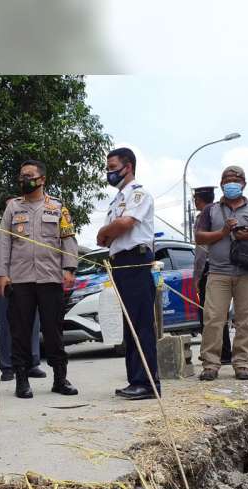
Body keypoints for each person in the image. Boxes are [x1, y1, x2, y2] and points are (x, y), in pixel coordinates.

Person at [0, 159, 79, 399]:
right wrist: (1, 274)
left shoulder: (58, 208)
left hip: (50, 278)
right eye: (21, 175)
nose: (23, 179)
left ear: (42, 179)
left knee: (53, 331)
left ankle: (60, 378)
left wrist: (69, 269)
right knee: (20, 331)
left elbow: (68, 239)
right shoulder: (13, 208)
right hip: (20, 280)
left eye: (28, 175)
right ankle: (22, 380)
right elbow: (3, 242)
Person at [195, 165, 248, 381]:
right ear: (221, 184)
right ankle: (210, 364)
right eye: (227, 180)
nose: (231, 183)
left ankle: (242, 364)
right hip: (218, 272)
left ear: (244, 184)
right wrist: (223, 232)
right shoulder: (210, 210)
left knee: (246, 320)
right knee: (213, 319)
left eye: (236, 180)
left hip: (247, 272)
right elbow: (199, 237)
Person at [96, 147, 159, 401]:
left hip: (136, 260)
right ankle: (136, 379)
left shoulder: (138, 194)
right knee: (130, 324)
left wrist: (106, 231)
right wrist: (107, 232)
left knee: (141, 323)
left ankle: (146, 382)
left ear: (128, 166)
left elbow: (124, 224)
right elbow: (106, 238)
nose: (109, 173)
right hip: (120, 261)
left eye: (113, 168)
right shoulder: (116, 201)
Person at [0, 206, 47, 382]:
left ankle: (32, 364)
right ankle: (7, 367)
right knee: (6, 326)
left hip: (28, 282)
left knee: (33, 323)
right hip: (5, 285)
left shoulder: (29, 231)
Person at [192, 186, 233, 365]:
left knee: (211, 315)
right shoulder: (223, 214)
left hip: (211, 270)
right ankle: (229, 352)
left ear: (198, 201)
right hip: (226, 267)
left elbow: (201, 252)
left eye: (195, 199)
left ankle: (220, 353)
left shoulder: (203, 218)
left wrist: (197, 276)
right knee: (224, 313)